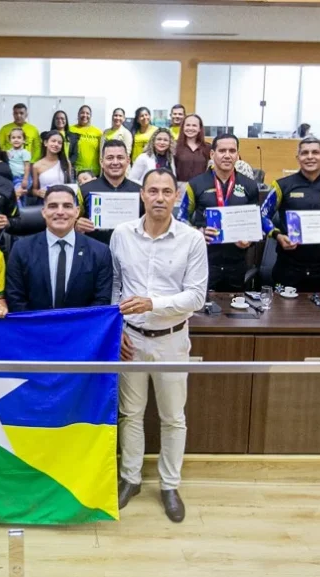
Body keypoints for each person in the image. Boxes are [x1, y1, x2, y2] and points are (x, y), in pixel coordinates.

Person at [111, 167, 208, 523]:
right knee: (130, 414)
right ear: (142, 195)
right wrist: (116, 326)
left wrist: (154, 303)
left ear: (176, 197)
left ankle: (169, 485)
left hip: (171, 339)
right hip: (131, 339)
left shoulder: (192, 240)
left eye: (167, 192)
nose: (159, 198)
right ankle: (130, 479)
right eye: (153, 191)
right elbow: (116, 286)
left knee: (172, 417)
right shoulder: (122, 234)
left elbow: (197, 296)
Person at [5, 185, 111, 311]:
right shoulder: (21, 249)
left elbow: (102, 300)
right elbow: (15, 297)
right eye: (53, 206)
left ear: (77, 211)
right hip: (35, 328)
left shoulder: (100, 252)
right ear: (43, 212)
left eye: (67, 206)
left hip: (82, 328)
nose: (60, 212)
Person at [260, 137, 320, 291]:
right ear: (298, 158)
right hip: (288, 266)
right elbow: (262, 216)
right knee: (284, 313)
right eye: (304, 153)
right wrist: (278, 235)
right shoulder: (281, 185)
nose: (310, 157)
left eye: (315, 152)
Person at [182, 133, 260, 292]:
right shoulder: (196, 184)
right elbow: (181, 218)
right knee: (201, 311)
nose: (227, 155)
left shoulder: (250, 186)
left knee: (234, 311)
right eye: (222, 150)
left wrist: (250, 240)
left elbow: (257, 223)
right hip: (204, 261)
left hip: (236, 262)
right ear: (212, 154)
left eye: (232, 151)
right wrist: (198, 232)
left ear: (238, 155)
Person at [76, 140, 142, 245]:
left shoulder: (140, 191)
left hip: (131, 253)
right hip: (94, 253)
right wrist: (76, 225)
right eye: (110, 158)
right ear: (101, 162)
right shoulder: (84, 190)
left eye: (120, 158)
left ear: (128, 161)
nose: (115, 162)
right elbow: (69, 222)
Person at [30, 131, 73, 204]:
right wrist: (38, 193)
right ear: (45, 143)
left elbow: (70, 185)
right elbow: (33, 190)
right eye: (53, 141)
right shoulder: (37, 166)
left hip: (63, 201)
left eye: (59, 143)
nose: (56, 144)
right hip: (45, 203)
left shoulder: (66, 163)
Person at [174, 114, 211, 183]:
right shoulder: (174, 146)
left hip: (201, 188)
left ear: (200, 129)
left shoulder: (207, 148)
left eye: (194, 125)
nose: (190, 128)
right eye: (188, 125)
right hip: (180, 188)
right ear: (183, 127)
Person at [69, 105, 103, 176]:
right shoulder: (70, 130)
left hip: (94, 173)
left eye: (87, 113)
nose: (85, 115)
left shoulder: (98, 132)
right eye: (82, 113)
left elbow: (102, 152)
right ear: (78, 114)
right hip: (75, 172)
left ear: (91, 116)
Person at [6, 127, 32, 198]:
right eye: (13, 138)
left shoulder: (24, 152)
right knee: (15, 195)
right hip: (12, 178)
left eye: (19, 137)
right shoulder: (9, 152)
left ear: (24, 140)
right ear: (10, 140)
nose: (16, 140)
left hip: (22, 178)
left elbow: (27, 166)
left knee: (19, 194)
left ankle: (20, 209)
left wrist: (25, 179)